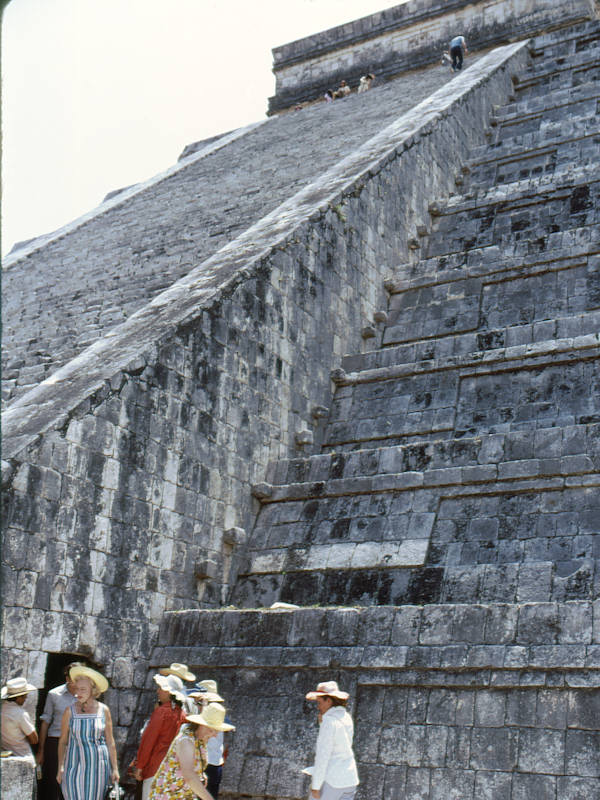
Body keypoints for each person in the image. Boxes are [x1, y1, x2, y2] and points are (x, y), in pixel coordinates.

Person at [148, 702, 234, 800]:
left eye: (217, 731)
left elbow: (192, 769)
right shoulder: (186, 741)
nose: (214, 735)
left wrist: (201, 775)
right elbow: (189, 775)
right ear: (202, 725)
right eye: (212, 730)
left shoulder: (200, 740)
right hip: (168, 795)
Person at [57, 665, 119, 800]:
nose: (78, 692)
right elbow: (62, 742)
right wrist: (60, 767)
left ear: (93, 690)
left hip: (98, 767)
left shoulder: (104, 710)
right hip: (73, 765)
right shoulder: (69, 711)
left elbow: (110, 741)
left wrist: (115, 769)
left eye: (83, 689)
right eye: (77, 689)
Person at [133, 674, 186, 800]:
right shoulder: (183, 714)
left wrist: (140, 766)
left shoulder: (161, 712)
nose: (158, 691)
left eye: (161, 688)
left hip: (155, 767)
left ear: (169, 692)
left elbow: (149, 741)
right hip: (173, 769)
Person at [303, 681, 359, 800]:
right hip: (350, 779)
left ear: (329, 701)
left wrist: (315, 786)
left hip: (332, 781)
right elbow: (341, 744)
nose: (318, 707)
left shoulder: (329, 721)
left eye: (319, 702)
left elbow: (323, 756)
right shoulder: (346, 717)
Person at [37, 662, 81, 800]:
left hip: (76, 744)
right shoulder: (54, 694)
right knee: (54, 782)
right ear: (67, 678)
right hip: (55, 743)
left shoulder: (85, 696)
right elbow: (45, 722)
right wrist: (41, 751)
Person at [189, 681, 229, 800]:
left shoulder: (206, 719)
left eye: (198, 701)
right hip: (215, 763)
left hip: (207, 764)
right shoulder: (220, 715)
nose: (196, 704)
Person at [1, 676, 38, 766]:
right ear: (18, 698)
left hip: (6, 758)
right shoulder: (20, 714)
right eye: (25, 696)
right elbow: (34, 739)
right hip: (23, 757)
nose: (26, 698)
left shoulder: (2, 710)